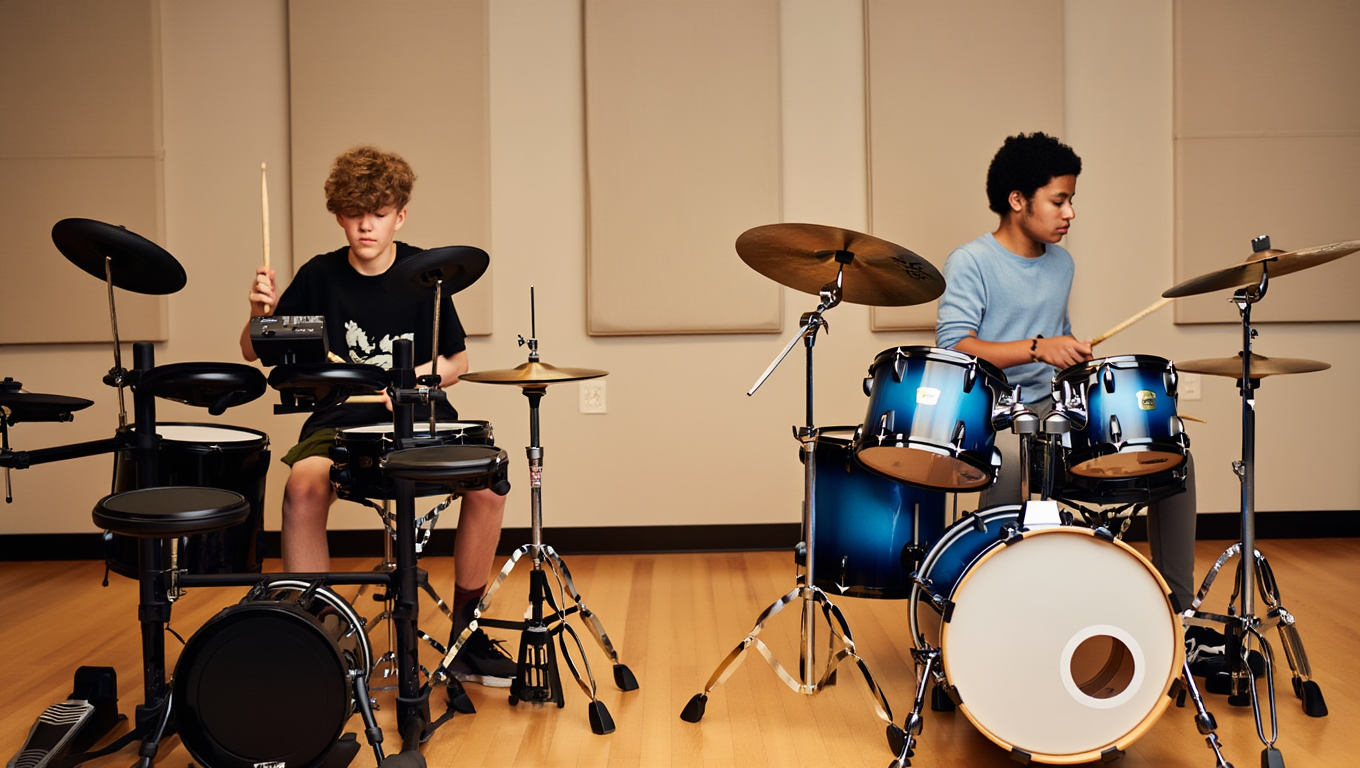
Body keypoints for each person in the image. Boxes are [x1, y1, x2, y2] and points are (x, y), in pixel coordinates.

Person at [935, 132, 1226, 673]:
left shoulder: (1060, 264)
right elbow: (954, 347)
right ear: (1018, 200)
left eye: (1071, 200)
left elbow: (1056, 343)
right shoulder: (971, 261)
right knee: (1012, 464)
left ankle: (1178, 616)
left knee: (1173, 457)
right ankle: (984, 623)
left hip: (1056, 413)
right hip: (997, 416)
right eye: (1059, 200)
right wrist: (1038, 347)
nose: (1070, 212)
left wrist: (1074, 360)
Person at [240, 145, 515, 689]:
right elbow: (254, 351)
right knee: (302, 487)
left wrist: (417, 381)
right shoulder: (318, 277)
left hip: (421, 416)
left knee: (489, 488)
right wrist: (257, 314)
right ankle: (316, 632)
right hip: (338, 421)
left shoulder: (427, 273)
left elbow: (457, 361)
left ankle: (466, 634)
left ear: (400, 216)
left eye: (379, 213)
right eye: (355, 214)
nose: (366, 226)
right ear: (339, 217)